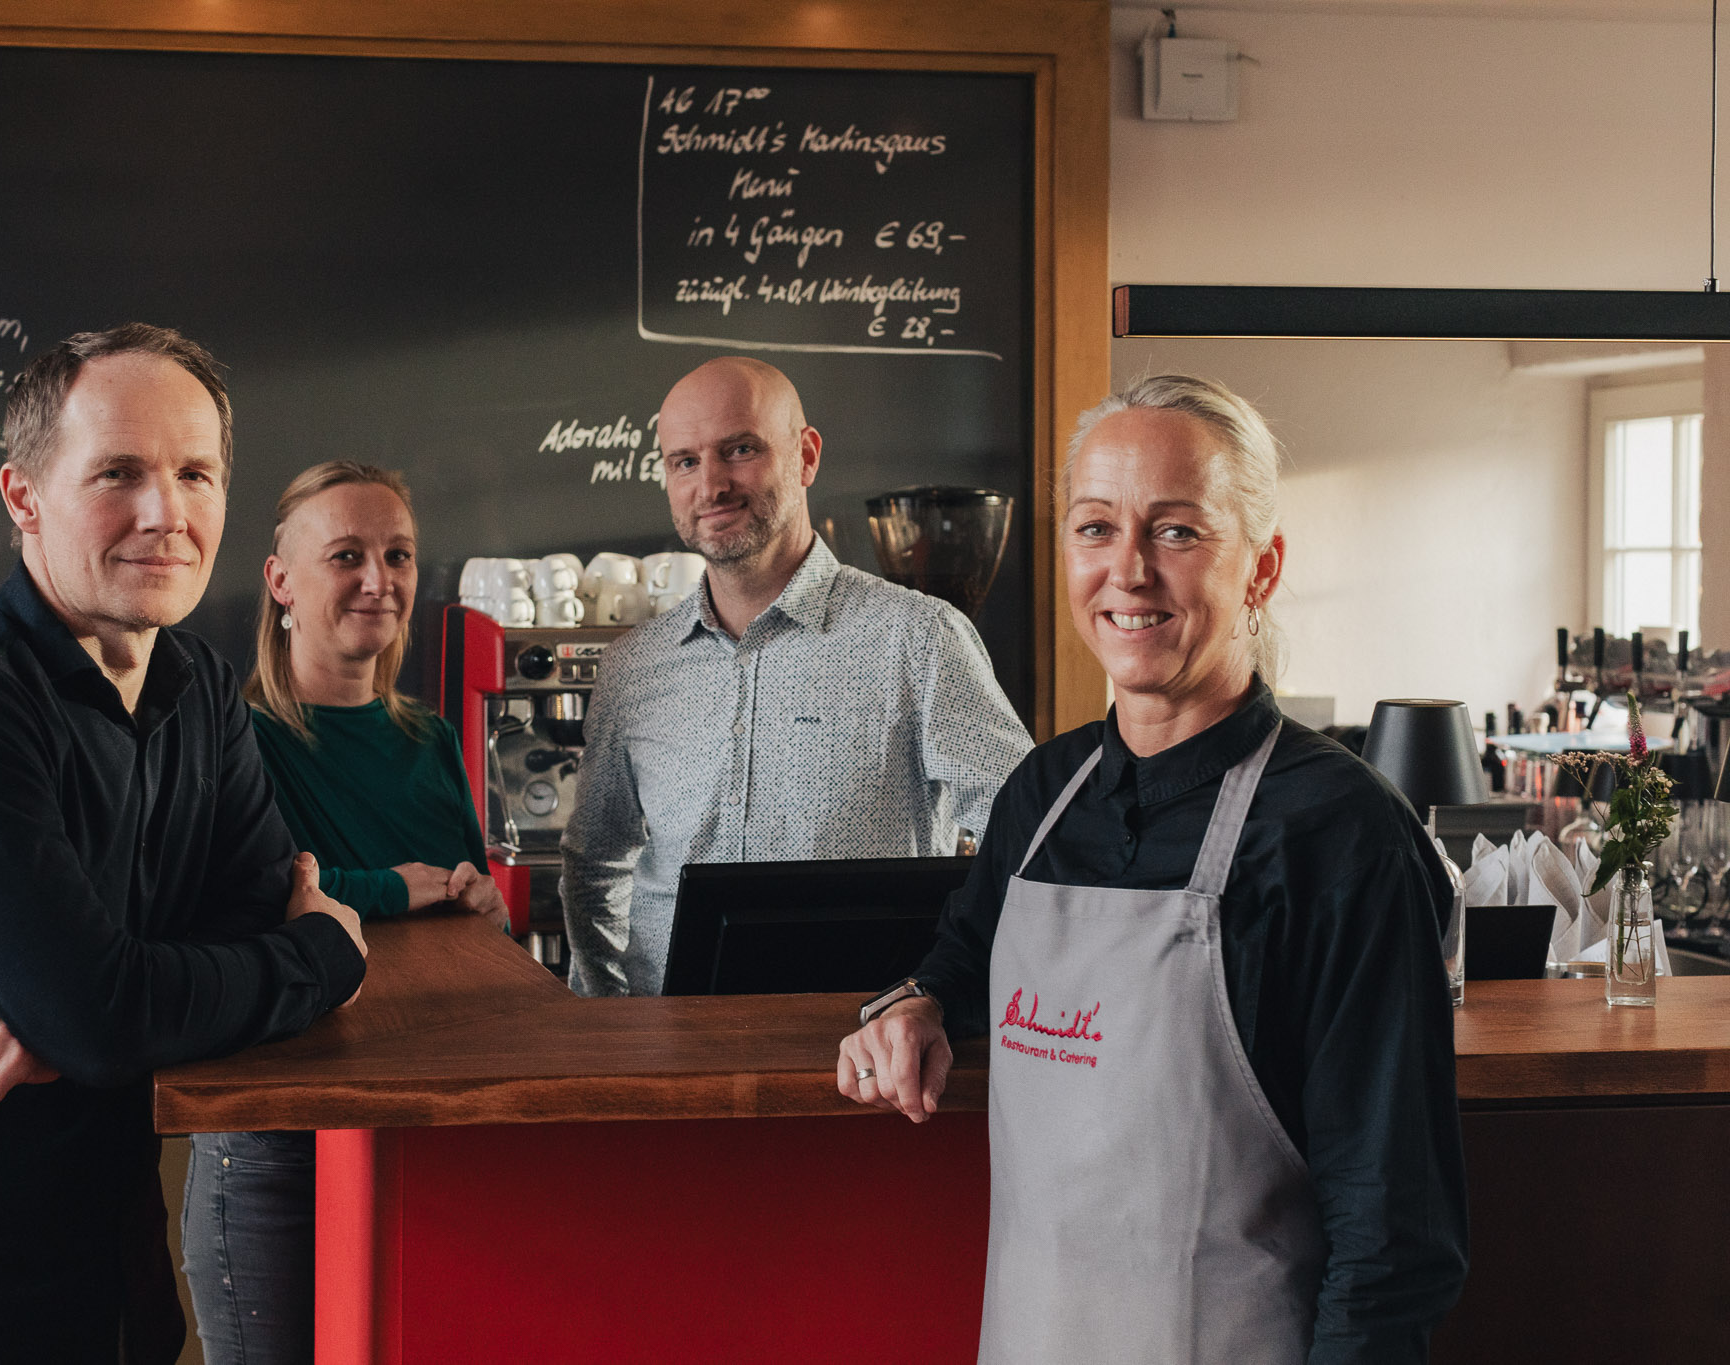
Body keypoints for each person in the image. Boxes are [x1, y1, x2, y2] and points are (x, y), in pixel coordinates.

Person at [837, 375, 1469, 1364]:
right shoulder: (1041, 793)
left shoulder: (1341, 835)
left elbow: (1392, 1233)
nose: (1127, 572)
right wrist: (920, 1004)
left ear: (1260, 569)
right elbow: (965, 953)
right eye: (1095, 528)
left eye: (1176, 531)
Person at [0, 325, 369, 1365]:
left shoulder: (198, 691)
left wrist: (73, 1003)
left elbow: (229, 921)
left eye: (195, 474)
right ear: (23, 497)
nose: (165, 513)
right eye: (118, 473)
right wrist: (329, 951)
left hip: (110, 1303)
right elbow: (113, 1007)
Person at [562, 356, 1034, 997]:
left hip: (857, 1041)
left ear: (806, 456)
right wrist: (607, 1017)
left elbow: (1027, 837)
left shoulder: (919, 639)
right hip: (669, 1043)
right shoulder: (634, 668)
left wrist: (945, 992)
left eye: (740, 450)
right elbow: (593, 865)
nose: (712, 485)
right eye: (685, 461)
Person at [181, 460, 507, 1365]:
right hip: (284, 1133)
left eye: (398, 554)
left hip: (431, 1128)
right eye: (347, 555)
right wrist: (398, 886)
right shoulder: (238, 737)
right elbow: (263, 902)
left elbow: (465, 901)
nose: (379, 579)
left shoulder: (430, 737)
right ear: (281, 580)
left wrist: (480, 904)